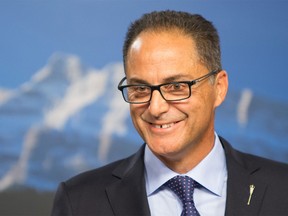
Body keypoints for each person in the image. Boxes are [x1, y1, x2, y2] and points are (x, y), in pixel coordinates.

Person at [51, 10, 288, 216]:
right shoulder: (79, 202)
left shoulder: (282, 190)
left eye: (176, 87)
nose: (156, 108)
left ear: (219, 88)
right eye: (140, 89)